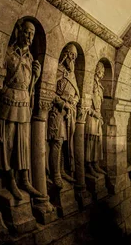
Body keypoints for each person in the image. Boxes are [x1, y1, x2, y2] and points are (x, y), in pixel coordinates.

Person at [0, 19, 44, 200]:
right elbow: (3, 79)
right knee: (7, 142)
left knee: (22, 142)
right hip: (9, 101)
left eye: (32, 34)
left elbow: (29, 89)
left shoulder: (31, 59)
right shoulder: (9, 52)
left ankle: (24, 179)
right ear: (19, 32)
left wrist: (36, 77)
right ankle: (9, 179)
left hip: (24, 102)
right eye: (26, 32)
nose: (29, 36)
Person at [48, 44, 80, 188]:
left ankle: (61, 170)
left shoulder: (72, 74)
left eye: (75, 56)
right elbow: (49, 92)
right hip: (58, 112)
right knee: (57, 142)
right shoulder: (58, 70)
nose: (72, 58)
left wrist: (74, 100)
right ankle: (55, 174)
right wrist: (63, 103)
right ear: (65, 54)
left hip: (69, 113)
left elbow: (77, 94)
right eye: (71, 55)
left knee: (65, 143)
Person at [85, 62, 106, 177]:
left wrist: (99, 115)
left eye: (103, 71)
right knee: (90, 141)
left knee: (98, 142)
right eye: (101, 70)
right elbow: (86, 104)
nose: (102, 73)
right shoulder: (90, 83)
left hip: (98, 117)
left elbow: (99, 103)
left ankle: (95, 164)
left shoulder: (100, 86)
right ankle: (88, 165)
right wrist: (94, 113)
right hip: (91, 117)